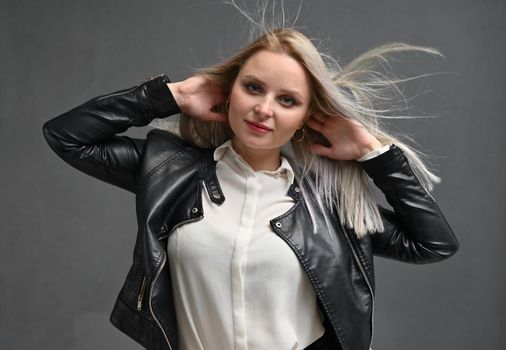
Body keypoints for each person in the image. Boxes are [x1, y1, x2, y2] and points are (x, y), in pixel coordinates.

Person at [42, 27, 459, 350]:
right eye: (254, 88)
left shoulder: (326, 205)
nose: (263, 109)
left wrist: (373, 152)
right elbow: (67, 136)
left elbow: (433, 244)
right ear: (230, 92)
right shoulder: (169, 172)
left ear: (306, 118)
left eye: (287, 100)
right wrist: (169, 96)